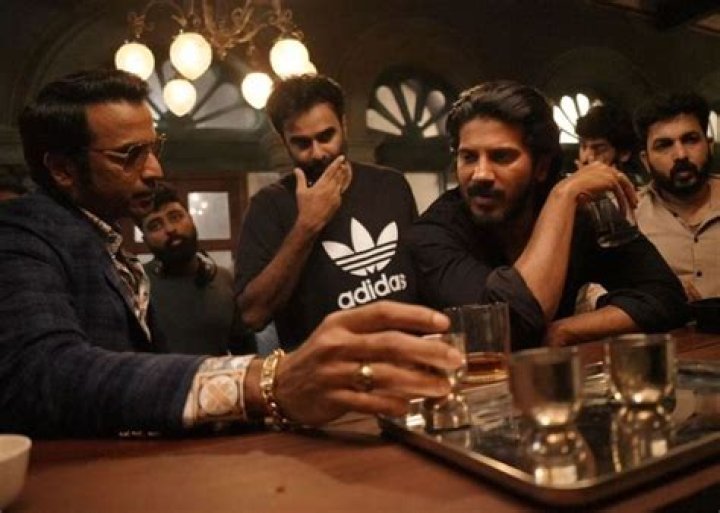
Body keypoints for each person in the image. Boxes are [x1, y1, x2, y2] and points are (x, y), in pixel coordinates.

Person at [0, 69, 463, 438]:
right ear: (62, 169)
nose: (155, 170)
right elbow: (40, 373)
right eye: (129, 155)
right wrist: (266, 382)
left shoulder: (104, 244)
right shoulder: (22, 231)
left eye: (154, 148)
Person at [407, 81, 688, 349]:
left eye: (501, 157)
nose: (480, 174)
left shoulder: (578, 211)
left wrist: (565, 330)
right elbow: (506, 328)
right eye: (468, 157)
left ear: (541, 167)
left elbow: (666, 296)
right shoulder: (433, 233)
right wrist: (562, 197)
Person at [234, 74, 418, 350]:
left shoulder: (391, 185)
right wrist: (307, 225)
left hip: (405, 358)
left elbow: (421, 273)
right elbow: (253, 315)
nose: (318, 153)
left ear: (344, 125)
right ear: (284, 141)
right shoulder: (269, 206)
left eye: (326, 136)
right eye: (302, 143)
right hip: (326, 370)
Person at [139, 183, 254, 355]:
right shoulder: (136, 285)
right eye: (155, 226)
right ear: (145, 239)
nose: (170, 229)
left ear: (191, 219)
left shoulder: (223, 279)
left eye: (175, 217)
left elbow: (245, 351)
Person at [634, 91, 720, 300]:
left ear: (709, 146)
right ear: (646, 160)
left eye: (691, 140)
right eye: (664, 145)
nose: (681, 155)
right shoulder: (629, 215)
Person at [575, 103, 646, 186]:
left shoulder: (640, 192)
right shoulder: (569, 189)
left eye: (598, 149)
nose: (585, 158)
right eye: (583, 146)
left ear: (624, 153)